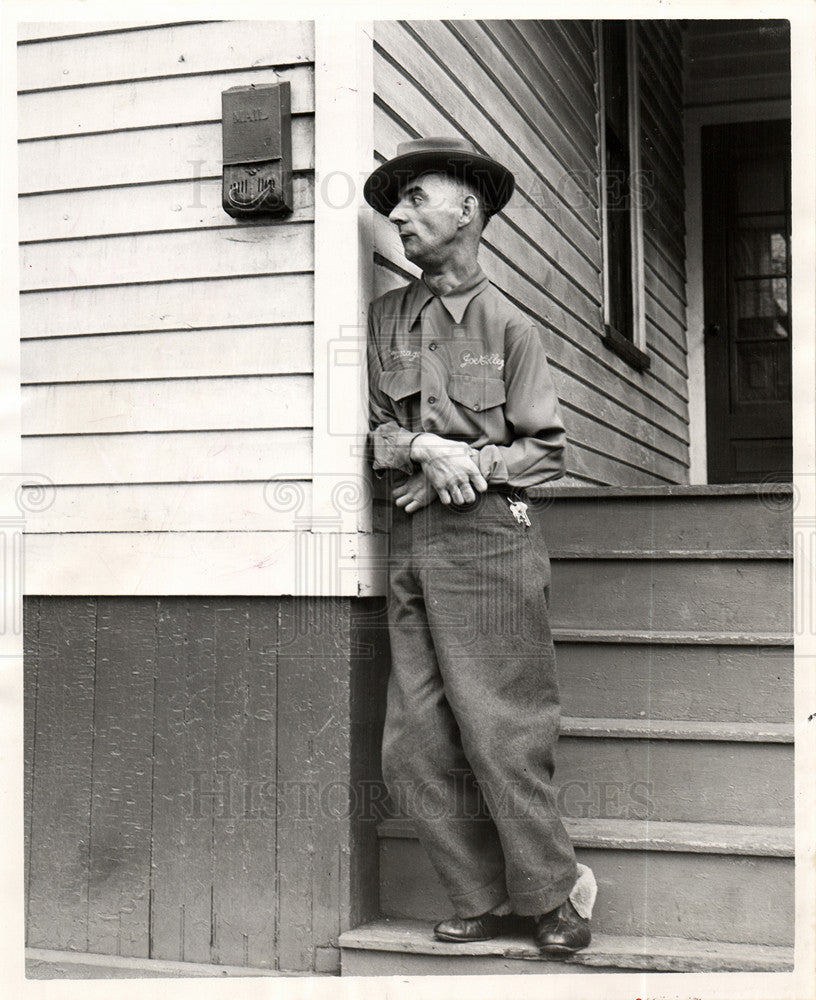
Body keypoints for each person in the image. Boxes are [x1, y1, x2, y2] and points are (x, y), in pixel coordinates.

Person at [363, 137, 594, 954]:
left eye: (416, 197)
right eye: (394, 203)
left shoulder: (510, 326)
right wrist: (425, 450)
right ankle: (482, 895)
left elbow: (549, 449)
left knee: (502, 730)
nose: (397, 214)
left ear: (469, 210)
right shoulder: (384, 318)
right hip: (411, 543)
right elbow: (377, 430)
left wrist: (474, 463)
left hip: (492, 542)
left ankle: (556, 894)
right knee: (414, 747)